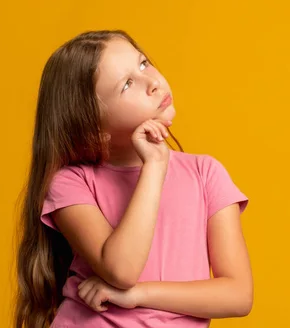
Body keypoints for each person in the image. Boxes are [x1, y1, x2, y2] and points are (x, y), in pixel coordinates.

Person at [14, 30, 252, 328]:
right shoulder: (71, 183)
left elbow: (239, 295)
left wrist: (140, 294)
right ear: (92, 129)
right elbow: (121, 270)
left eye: (143, 64)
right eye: (127, 84)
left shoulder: (206, 174)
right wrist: (154, 167)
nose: (152, 82)